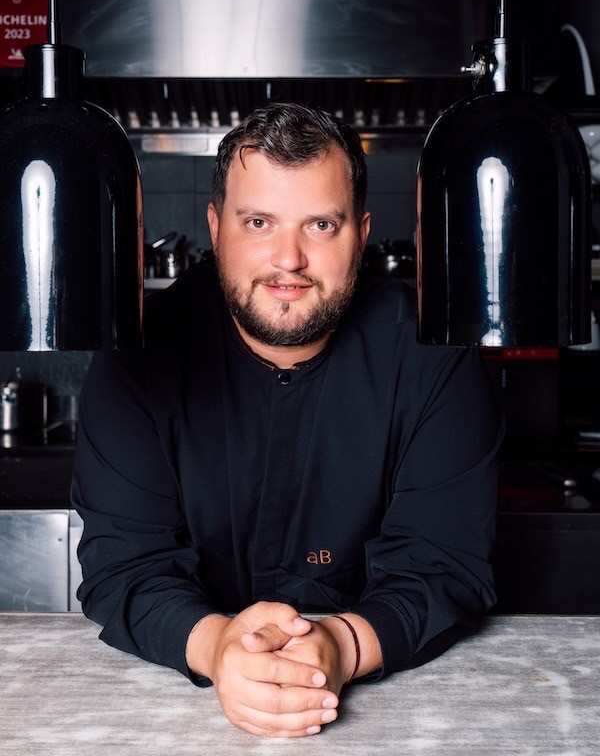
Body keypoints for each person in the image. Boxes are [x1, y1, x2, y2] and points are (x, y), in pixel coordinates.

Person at [71, 102, 504, 739]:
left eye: (321, 225)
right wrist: (218, 646)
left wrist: (342, 646)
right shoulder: (137, 355)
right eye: (259, 222)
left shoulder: (435, 359)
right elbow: (125, 566)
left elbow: (443, 565)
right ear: (215, 227)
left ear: (360, 233)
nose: (289, 258)